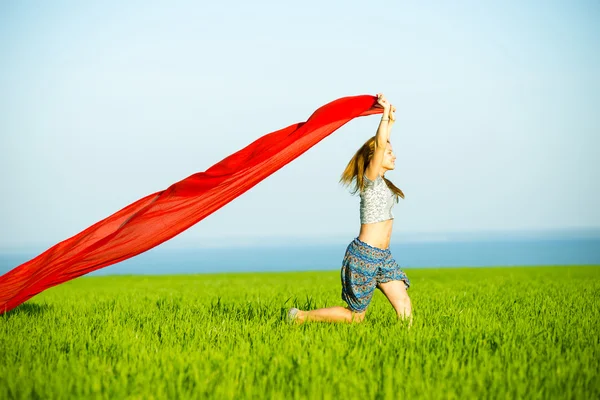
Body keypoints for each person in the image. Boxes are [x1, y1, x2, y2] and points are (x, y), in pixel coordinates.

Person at [288, 93, 412, 324]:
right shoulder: (371, 179)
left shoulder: (383, 183)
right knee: (356, 317)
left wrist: (392, 121)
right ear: (374, 157)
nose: (394, 155)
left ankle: (411, 345)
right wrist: (384, 118)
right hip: (364, 255)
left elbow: (383, 143)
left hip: (383, 256)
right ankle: (300, 317)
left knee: (403, 303)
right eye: (388, 152)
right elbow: (381, 142)